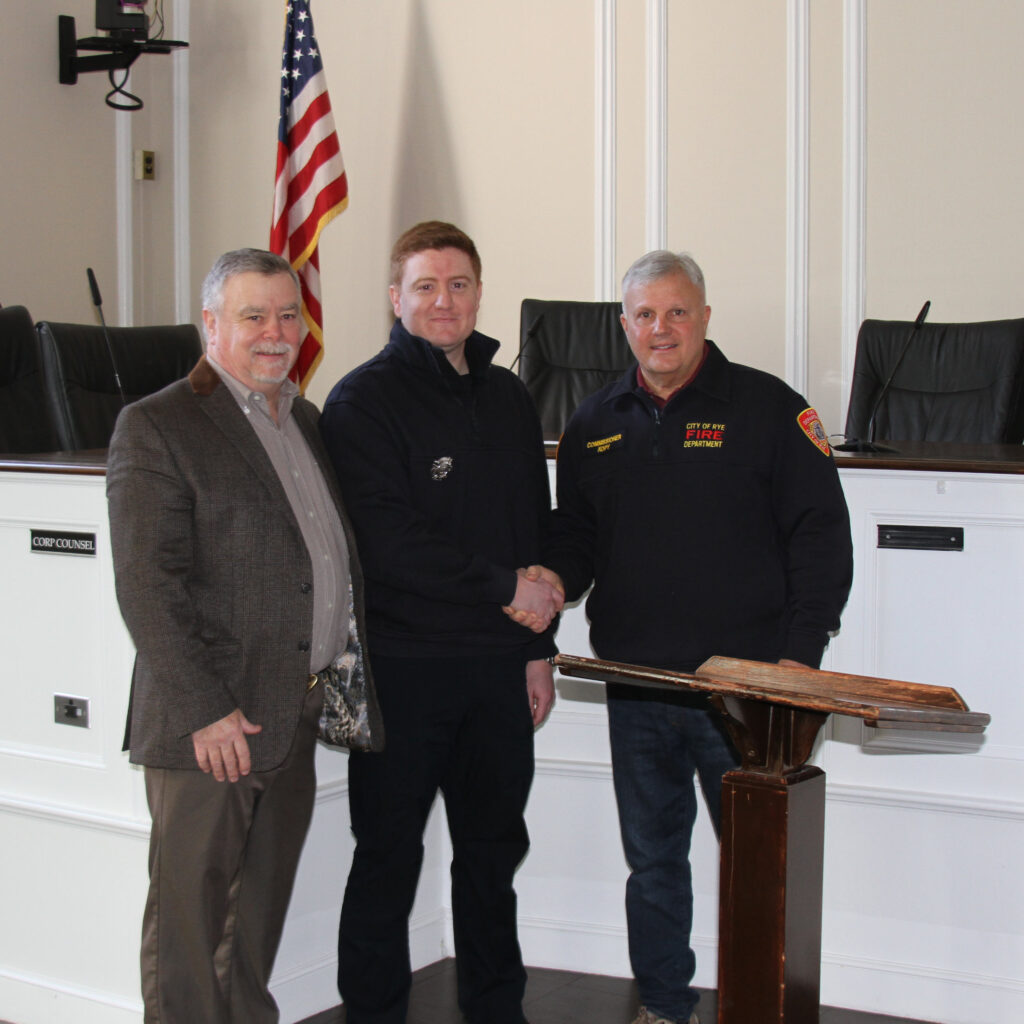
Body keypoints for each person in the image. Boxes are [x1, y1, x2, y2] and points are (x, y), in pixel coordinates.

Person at [515, 250, 853, 1024]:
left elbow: (822, 539)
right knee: (653, 865)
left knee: (759, 869)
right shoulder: (594, 423)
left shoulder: (769, 408)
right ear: (622, 324)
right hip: (637, 687)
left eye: (676, 312)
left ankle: (758, 1009)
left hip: (745, 691)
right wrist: (551, 582)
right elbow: (579, 542)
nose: (659, 329)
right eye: (644, 314)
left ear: (705, 317)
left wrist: (799, 660)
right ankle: (664, 1007)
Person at [107, 248, 381, 1023]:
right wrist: (205, 708)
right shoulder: (159, 424)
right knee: (191, 932)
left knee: (252, 926)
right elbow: (146, 585)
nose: (275, 332)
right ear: (212, 325)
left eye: (288, 314)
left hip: (289, 714)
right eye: (253, 315)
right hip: (212, 727)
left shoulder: (303, 418)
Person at [319, 220, 561, 1024]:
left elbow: (534, 525)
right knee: (387, 859)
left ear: (480, 293)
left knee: (493, 861)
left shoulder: (508, 394)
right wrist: (503, 587)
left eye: (458, 284)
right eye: (424, 286)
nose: (443, 301)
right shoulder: (361, 400)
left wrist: (539, 648)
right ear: (395, 298)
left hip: (498, 671)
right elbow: (387, 545)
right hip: (405, 671)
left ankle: (499, 1010)